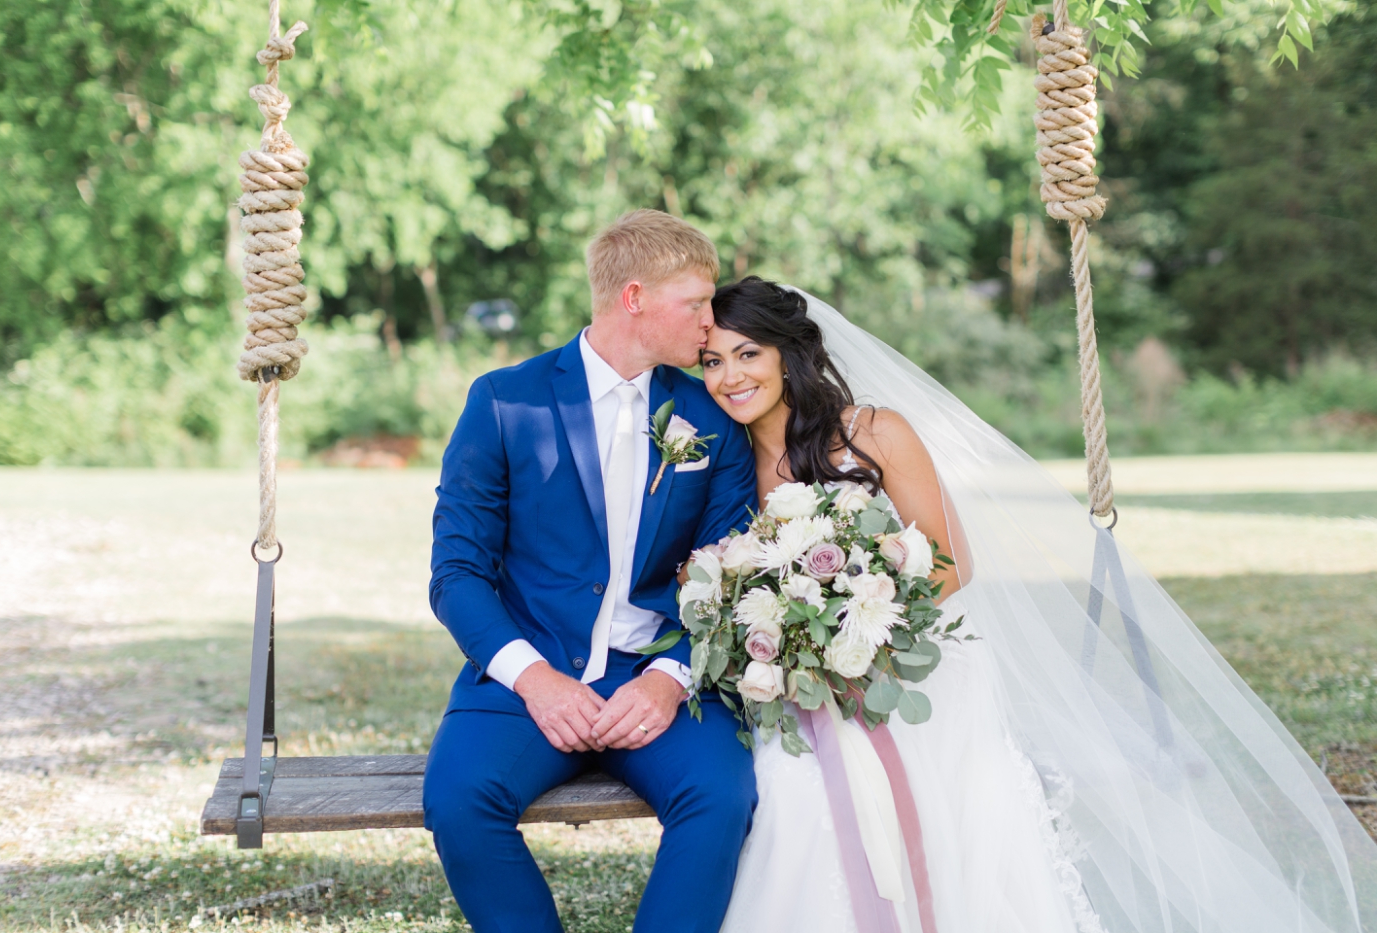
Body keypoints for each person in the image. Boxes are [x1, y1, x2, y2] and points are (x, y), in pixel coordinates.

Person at [700, 277, 1377, 933]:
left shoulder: (876, 432)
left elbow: (951, 559)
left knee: (949, 808)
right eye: (711, 360)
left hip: (912, 666)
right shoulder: (726, 465)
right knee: (794, 800)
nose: (730, 375)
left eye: (747, 353)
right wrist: (802, 643)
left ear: (788, 354)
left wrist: (861, 628)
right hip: (805, 685)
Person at [422, 211, 759, 933]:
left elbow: (728, 570)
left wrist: (669, 679)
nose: (710, 322)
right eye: (695, 302)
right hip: (527, 678)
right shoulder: (505, 400)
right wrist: (535, 678)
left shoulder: (712, 414)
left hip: (655, 674)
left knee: (722, 796)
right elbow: (456, 572)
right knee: (457, 800)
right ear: (633, 297)